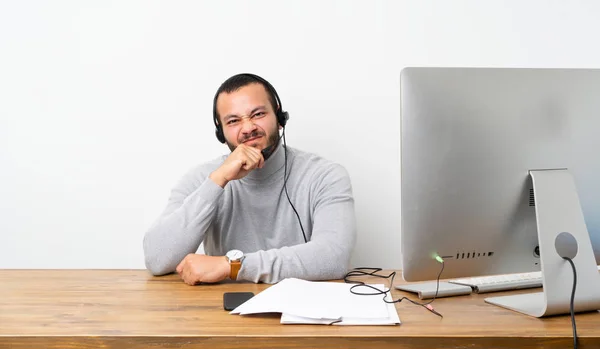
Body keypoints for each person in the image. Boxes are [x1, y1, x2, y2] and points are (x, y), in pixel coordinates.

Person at [142, 73, 356, 285]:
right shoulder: (203, 178)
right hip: (221, 312)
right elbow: (157, 259)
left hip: (299, 311)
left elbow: (333, 257)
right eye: (233, 121)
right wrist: (219, 180)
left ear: (279, 118)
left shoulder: (326, 176)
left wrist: (232, 265)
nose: (248, 128)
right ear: (221, 133)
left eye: (258, 114)